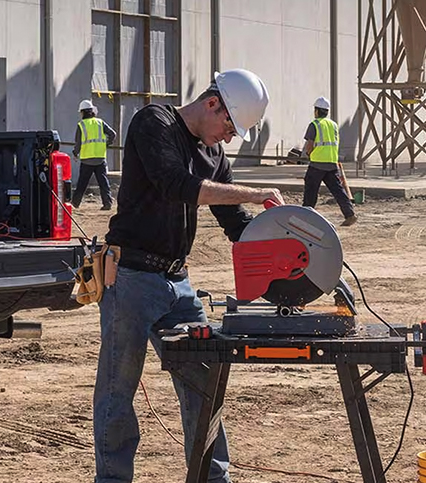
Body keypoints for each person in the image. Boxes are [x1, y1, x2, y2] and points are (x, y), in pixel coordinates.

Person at [95, 69, 283, 483]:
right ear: (213, 104)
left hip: (178, 284)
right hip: (130, 277)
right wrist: (255, 192)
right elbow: (177, 185)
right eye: (230, 127)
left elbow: (236, 225)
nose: (229, 138)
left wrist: (286, 248)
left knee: (202, 384)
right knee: (117, 390)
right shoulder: (154, 123)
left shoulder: (215, 156)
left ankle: (213, 479)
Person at [301, 97, 358, 226]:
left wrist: (308, 154)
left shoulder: (314, 124)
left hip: (317, 164)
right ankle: (350, 214)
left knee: (311, 190)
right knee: (338, 191)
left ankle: (305, 217)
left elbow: (310, 144)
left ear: (316, 111)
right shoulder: (333, 125)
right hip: (332, 163)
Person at [72, 99, 119, 210]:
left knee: (82, 183)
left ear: (82, 112)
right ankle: (107, 204)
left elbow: (78, 143)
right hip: (100, 158)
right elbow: (113, 134)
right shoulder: (100, 123)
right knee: (103, 182)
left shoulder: (81, 125)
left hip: (87, 159)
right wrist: (106, 144)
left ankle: (75, 203)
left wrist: (75, 153)